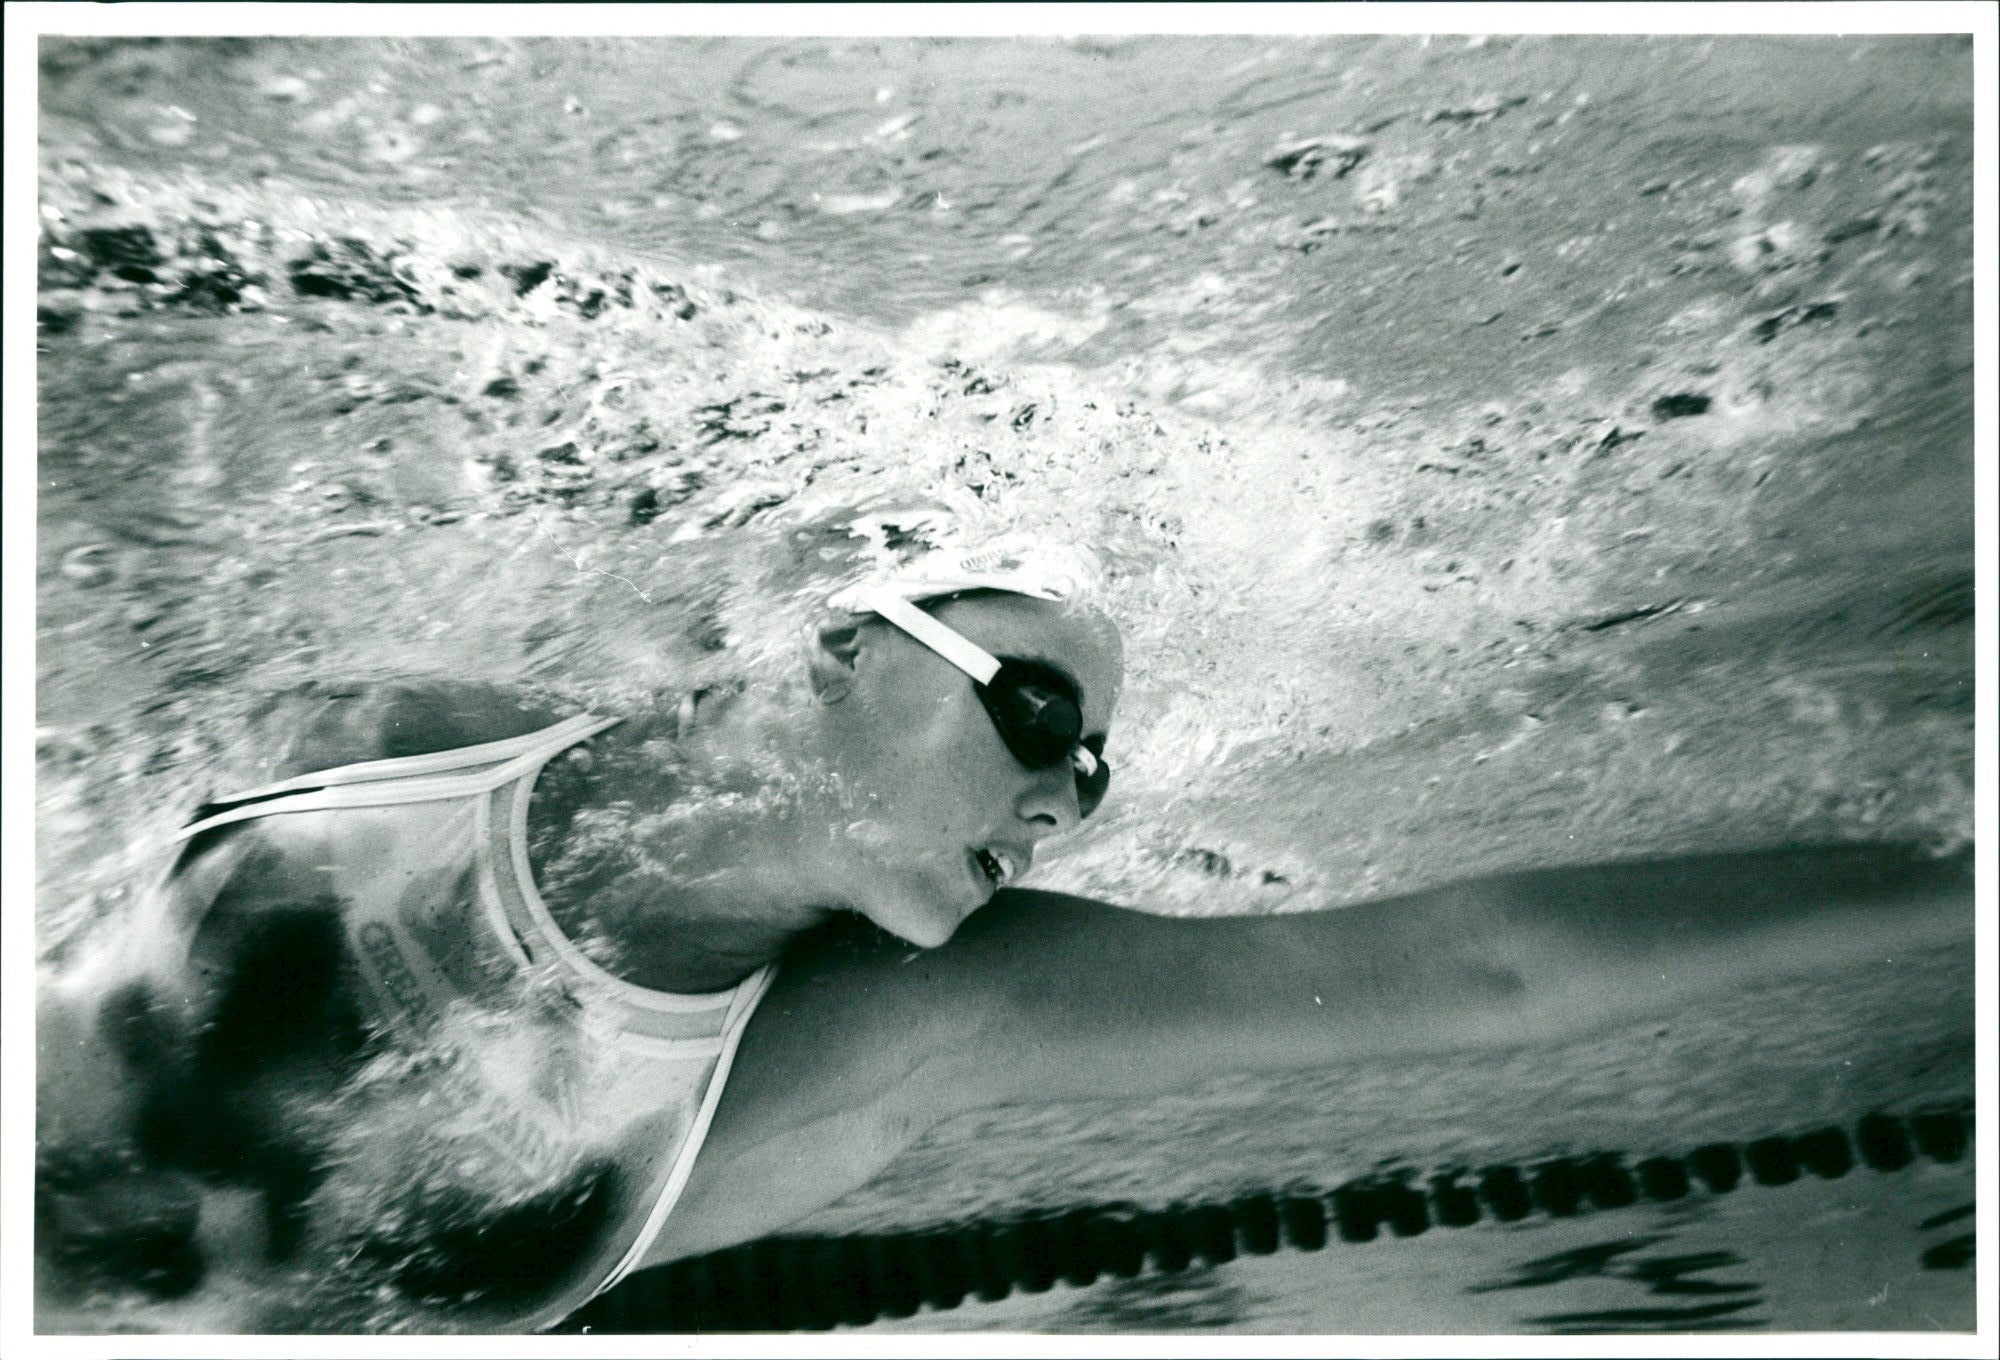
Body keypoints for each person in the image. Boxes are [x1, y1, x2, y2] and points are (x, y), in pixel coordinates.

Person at [33, 532, 1971, 1335]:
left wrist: (1963, 880)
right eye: (1035, 713)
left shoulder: (903, 1021)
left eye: (1096, 770)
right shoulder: (380, 740)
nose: (1062, 791)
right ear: (843, 642)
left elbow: (1482, 968)